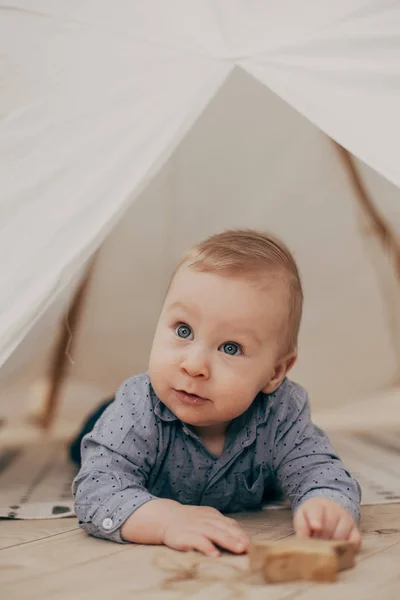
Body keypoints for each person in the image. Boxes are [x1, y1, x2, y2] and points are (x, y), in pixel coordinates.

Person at [72, 229, 362, 556]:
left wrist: (326, 503)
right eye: (184, 331)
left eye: (230, 347)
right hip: (118, 417)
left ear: (275, 372)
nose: (194, 365)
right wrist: (167, 520)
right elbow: (96, 490)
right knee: (87, 442)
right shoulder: (138, 407)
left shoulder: (282, 413)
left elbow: (319, 470)